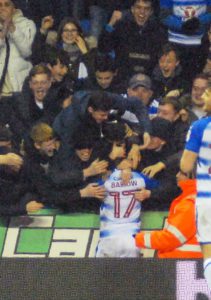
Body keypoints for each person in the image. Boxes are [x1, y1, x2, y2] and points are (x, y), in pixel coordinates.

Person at [53, 90, 151, 168]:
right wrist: (83, 174)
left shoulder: (107, 98)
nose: (106, 117)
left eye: (107, 113)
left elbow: (137, 104)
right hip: (63, 134)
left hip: (91, 126)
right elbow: (66, 155)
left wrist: (147, 131)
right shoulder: (70, 120)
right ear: (91, 110)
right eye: (102, 114)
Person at [24, 122, 106, 212]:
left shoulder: (53, 154)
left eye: (54, 143)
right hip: (44, 205)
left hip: (65, 198)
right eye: (48, 145)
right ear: (37, 145)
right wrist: (81, 192)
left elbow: (62, 178)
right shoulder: (32, 165)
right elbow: (50, 194)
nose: (53, 147)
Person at [180, 87, 211, 289]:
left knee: (208, 253)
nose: (203, 96)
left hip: (207, 199)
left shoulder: (199, 127)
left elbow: (186, 166)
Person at [135, 171, 202, 258]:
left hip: (183, 263)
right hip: (186, 261)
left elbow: (171, 238)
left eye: (182, 173)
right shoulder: (193, 199)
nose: (177, 175)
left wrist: (137, 239)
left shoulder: (190, 204)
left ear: (193, 176)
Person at [98, 0, 167, 80]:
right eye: (138, 7)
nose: (142, 12)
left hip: (148, 81)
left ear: (151, 12)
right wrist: (110, 24)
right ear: (132, 9)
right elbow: (103, 48)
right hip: (123, 79)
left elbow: (162, 61)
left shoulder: (159, 32)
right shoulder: (121, 27)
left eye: (146, 9)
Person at [160, 0, 211, 81]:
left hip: (199, 44)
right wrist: (182, 25)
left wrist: (198, 22)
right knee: (174, 80)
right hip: (175, 44)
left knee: (197, 80)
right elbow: (164, 16)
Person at [0, 125, 43, 215]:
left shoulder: (17, 157)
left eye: (9, 145)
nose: (7, 151)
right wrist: (22, 208)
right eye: (2, 149)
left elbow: (36, 181)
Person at [0, 0, 36, 96]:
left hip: (19, 88)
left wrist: (12, 27)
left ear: (14, 8)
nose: (2, 8)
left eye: (7, 5)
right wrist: (3, 32)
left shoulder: (27, 24)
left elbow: (26, 51)